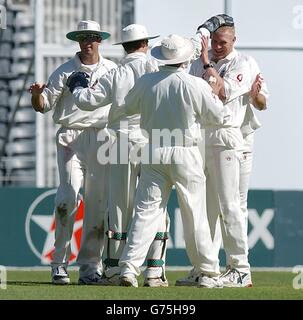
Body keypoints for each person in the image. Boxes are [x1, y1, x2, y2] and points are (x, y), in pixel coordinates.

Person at [117, 34, 231, 288]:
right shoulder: (194, 84)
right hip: (184, 151)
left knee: (145, 212)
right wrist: (212, 93)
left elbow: (127, 108)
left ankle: (128, 268)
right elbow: (220, 117)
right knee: (194, 213)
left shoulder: (146, 82)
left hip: (154, 149)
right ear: (184, 58)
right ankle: (208, 273)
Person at [68, 24, 170, 287]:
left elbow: (86, 101)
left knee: (119, 206)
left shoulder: (118, 72)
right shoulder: (157, 69)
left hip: (121, 139)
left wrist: (77, 86)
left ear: (124, 47)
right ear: (145, 43)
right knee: (154, 204)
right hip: (153, 139)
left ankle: (115, 269)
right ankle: (154, 271)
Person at [180, 14, 269, 287]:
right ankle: (206, 268)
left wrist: (206, 61)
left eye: (223, 42)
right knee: (205, 208)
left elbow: (222, 92)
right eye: (214, 42)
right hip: (202, 138)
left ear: (234, 40)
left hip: (230, 137)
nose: (218, 46)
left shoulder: (243, 62)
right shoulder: (198, 63)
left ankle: (240, 268)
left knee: (231, 206)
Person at [29, 20, 117, 285]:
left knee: (98, 204)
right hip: (71, 136)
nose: (87, 42)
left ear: (99, 40)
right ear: (77, 41)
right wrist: (36, 95)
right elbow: (44, 106)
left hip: (102, 137)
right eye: (83, 38)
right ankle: (59, 264)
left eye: (92, 37)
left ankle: (90, 267)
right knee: (67, 198)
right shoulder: (64, 71)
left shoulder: (112, 69)